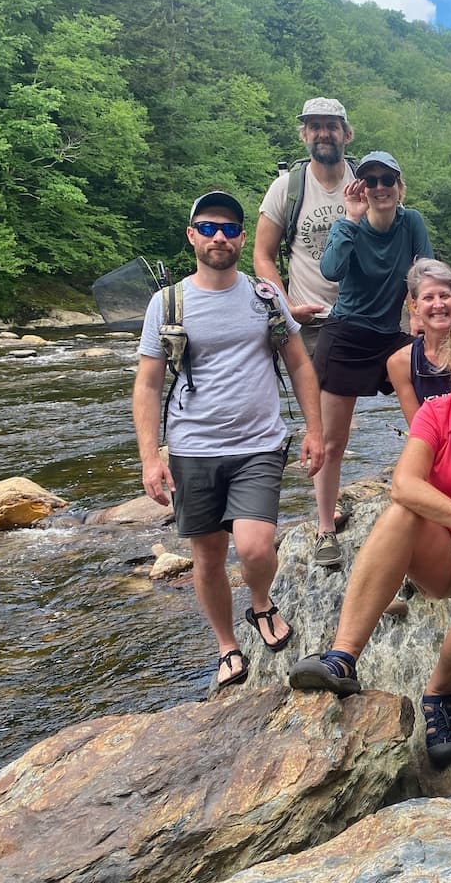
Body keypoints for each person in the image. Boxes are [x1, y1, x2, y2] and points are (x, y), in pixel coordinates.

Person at [289, 314, 451, 767]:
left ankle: (439, 695)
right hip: (448, 544)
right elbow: (404, 485)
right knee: (400, 512)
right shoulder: (436, 412)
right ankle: (342, 658)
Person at [133, 191, 324, 687]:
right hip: (192, 449)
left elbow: (299, 364)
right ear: (192, 235)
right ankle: (226, 645)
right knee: (209, 556)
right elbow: (148, 383)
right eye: (209, 227)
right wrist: (150, 457)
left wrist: (316, 430)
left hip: (258, 444)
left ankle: (260, 604)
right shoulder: (167, 302)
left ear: (242, 237)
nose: (220, 236)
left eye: (230, 228)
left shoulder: (265, 297)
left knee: (257, 548)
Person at [310, 151, 432, 568]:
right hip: (345, 336)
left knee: (432, 414)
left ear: (399, 187)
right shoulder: (351, 224)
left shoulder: (411, 221)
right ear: (360, 188)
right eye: (370, 181)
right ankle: (325, 528)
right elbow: (331, 269)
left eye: (387, 180)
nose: (379, 188)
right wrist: (350, 217)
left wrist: (421, 315)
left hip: (390, 339)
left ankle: (442, 493)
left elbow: (425, 271)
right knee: (331, 442)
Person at [254, 97, 356, 357]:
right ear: (304, 135)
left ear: (347, 134)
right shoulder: (285, 188)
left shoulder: (365, 182)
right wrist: (286, 307)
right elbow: (262, 255)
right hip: (310, 322)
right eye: (315, 126)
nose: (323, 133)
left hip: (363, 317)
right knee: (314, 398)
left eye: (332, 126)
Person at [387, 258, 451, 425]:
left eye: (444, 295)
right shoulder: (400, 363)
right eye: (428, 298)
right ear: (415, 306)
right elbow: (418, 430)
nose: (438, 304)